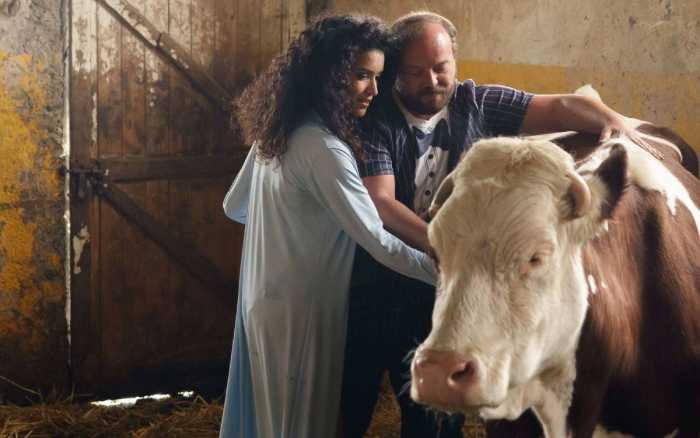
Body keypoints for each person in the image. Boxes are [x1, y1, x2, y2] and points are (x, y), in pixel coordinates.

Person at [341, 10, 654, 438]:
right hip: (382, 275)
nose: (430, 81)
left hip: (452, 285)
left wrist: (613, 125)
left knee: (437, 417)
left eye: (440, 68)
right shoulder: (378, 119)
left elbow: (561, 105)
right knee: (353, 399)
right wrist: (443, 246)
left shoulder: (476, 102)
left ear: (455, 62)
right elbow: (382, 203)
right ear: (395, 71)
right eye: (414, 72)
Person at [218, 14, 438, 438]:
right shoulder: (325, 149)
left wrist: (287, 231)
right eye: (360, 76)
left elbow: (235, 205)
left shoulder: (277, 130)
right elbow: (379, 242)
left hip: (262, 301)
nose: (373, 90)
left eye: (377, 77)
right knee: (304, 427)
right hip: (305, 311)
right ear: (328, 75)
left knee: (270, 424)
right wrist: (446, 275)